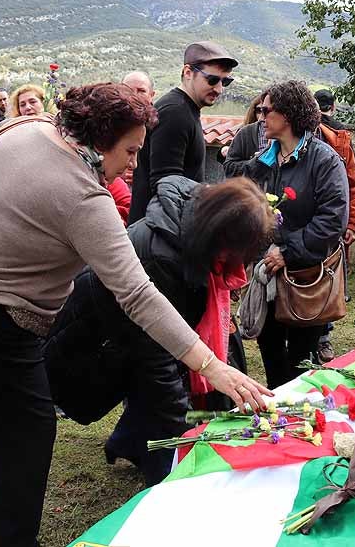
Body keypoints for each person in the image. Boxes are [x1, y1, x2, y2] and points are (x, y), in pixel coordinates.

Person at [0, 82, 270, 546]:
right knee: (28, 433)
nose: (135, 163)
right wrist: (209, 364)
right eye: (130, 150)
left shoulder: (28, 124)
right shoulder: (85, 196)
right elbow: (137, 293)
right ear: (101, 140)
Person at [45, 175, 272, 484]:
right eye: (236, 255)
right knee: (160, 401)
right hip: (92, 341)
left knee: (153, 390)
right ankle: (165, 477)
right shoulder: (162, 260)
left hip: (125, 342)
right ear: (219, 237)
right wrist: (187, 434)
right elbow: (157, 360)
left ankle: (127, 443)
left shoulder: (191, 236)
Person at [240, 81, 349, 389]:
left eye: (266, 110)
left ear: (286, 116)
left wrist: (286, 252)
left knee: (301, 359)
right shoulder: (265, 160)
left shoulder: (325, 160)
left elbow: (332, 221)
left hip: (305, 278)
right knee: (271, 354)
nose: (260, 117)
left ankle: (296, 420)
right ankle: (278, 419)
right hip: (269, 277)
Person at [128, 41, 238, 223]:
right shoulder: (175, 112)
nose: (219, 89)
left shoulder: (184, 109)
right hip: (158, 235)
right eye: (212, 80)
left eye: (225, 81)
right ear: (188, 72)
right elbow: (165, 185)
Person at [311, 87, 355, 362]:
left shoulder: (340, 138)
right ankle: (317, 339)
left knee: (329, 283)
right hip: (313, 226)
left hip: (333, 227)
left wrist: (352, 224)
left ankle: (322, 338)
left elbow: (352, 182)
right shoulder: (335, 135)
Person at [222, 94, 269, 177]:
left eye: (266, 111)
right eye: (259, 110)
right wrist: (255, 162)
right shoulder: (245, 132)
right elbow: (229, 165)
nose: (262, 116)